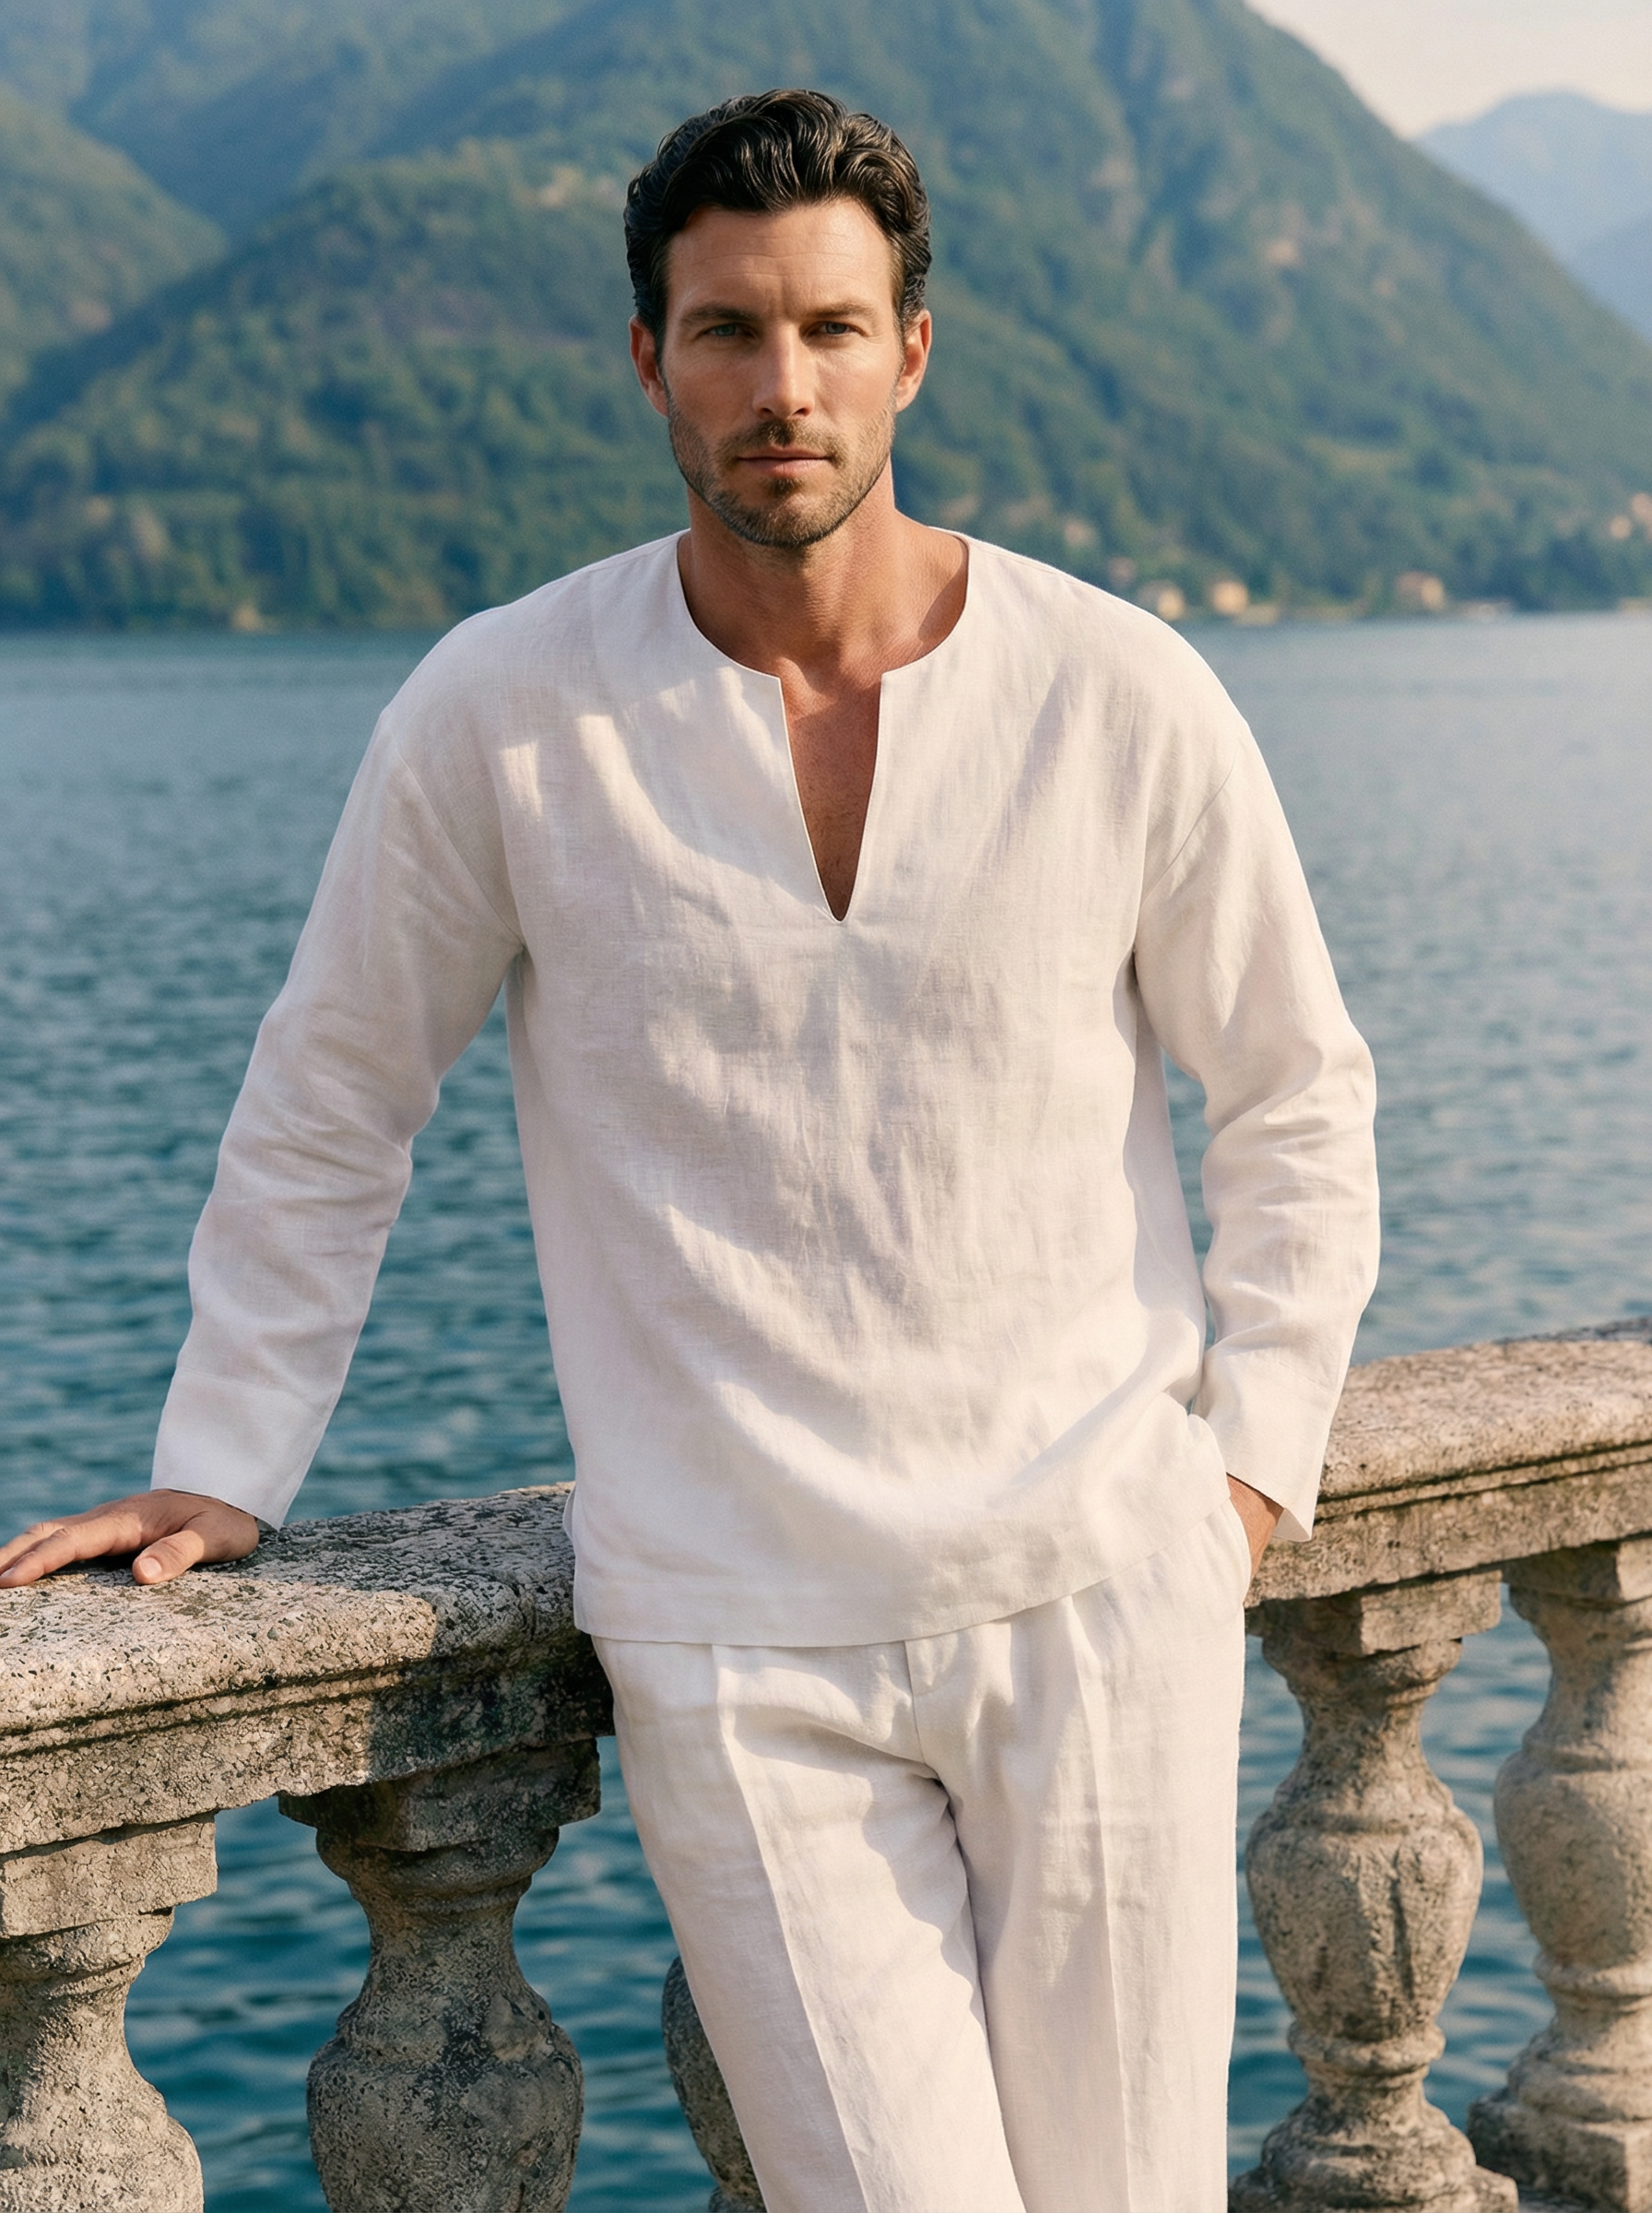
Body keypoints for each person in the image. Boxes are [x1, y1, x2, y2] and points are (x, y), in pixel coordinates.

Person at [0, 89, 1378, 2213]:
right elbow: (332, 1087)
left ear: (913, 347)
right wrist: (226, 1454)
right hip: (741, 1644)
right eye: (725, 332)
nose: (782, 387)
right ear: (647, 358)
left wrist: (1245, 1472)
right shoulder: (503, 712)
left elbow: (1294, 1086)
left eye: (830, 328)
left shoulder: (1117, 691)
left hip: (1099, 1595)